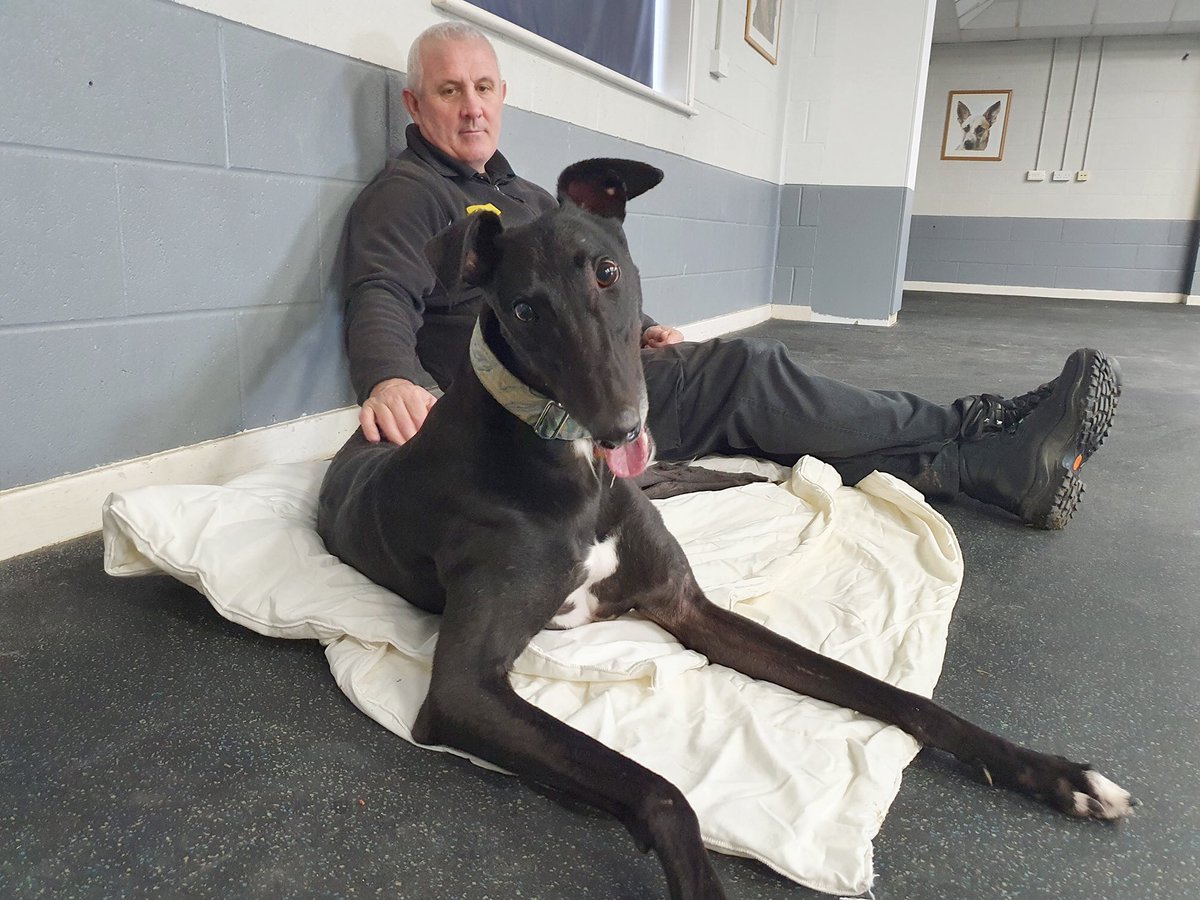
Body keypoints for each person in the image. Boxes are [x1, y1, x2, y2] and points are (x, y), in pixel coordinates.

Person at [340, 21, 1120, 530]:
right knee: (751, 372)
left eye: (483, 88)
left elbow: (585, 287)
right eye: (450, 90)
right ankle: (970, 426)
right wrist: (388, 377)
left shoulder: (526, 196)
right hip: (534, 404)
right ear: (416, 101)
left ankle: (989, 459)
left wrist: (641, 329)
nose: (472, 108)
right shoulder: (409, 196)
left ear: (502, 95)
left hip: (596, 367)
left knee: (769, 423)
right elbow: (381, 289)